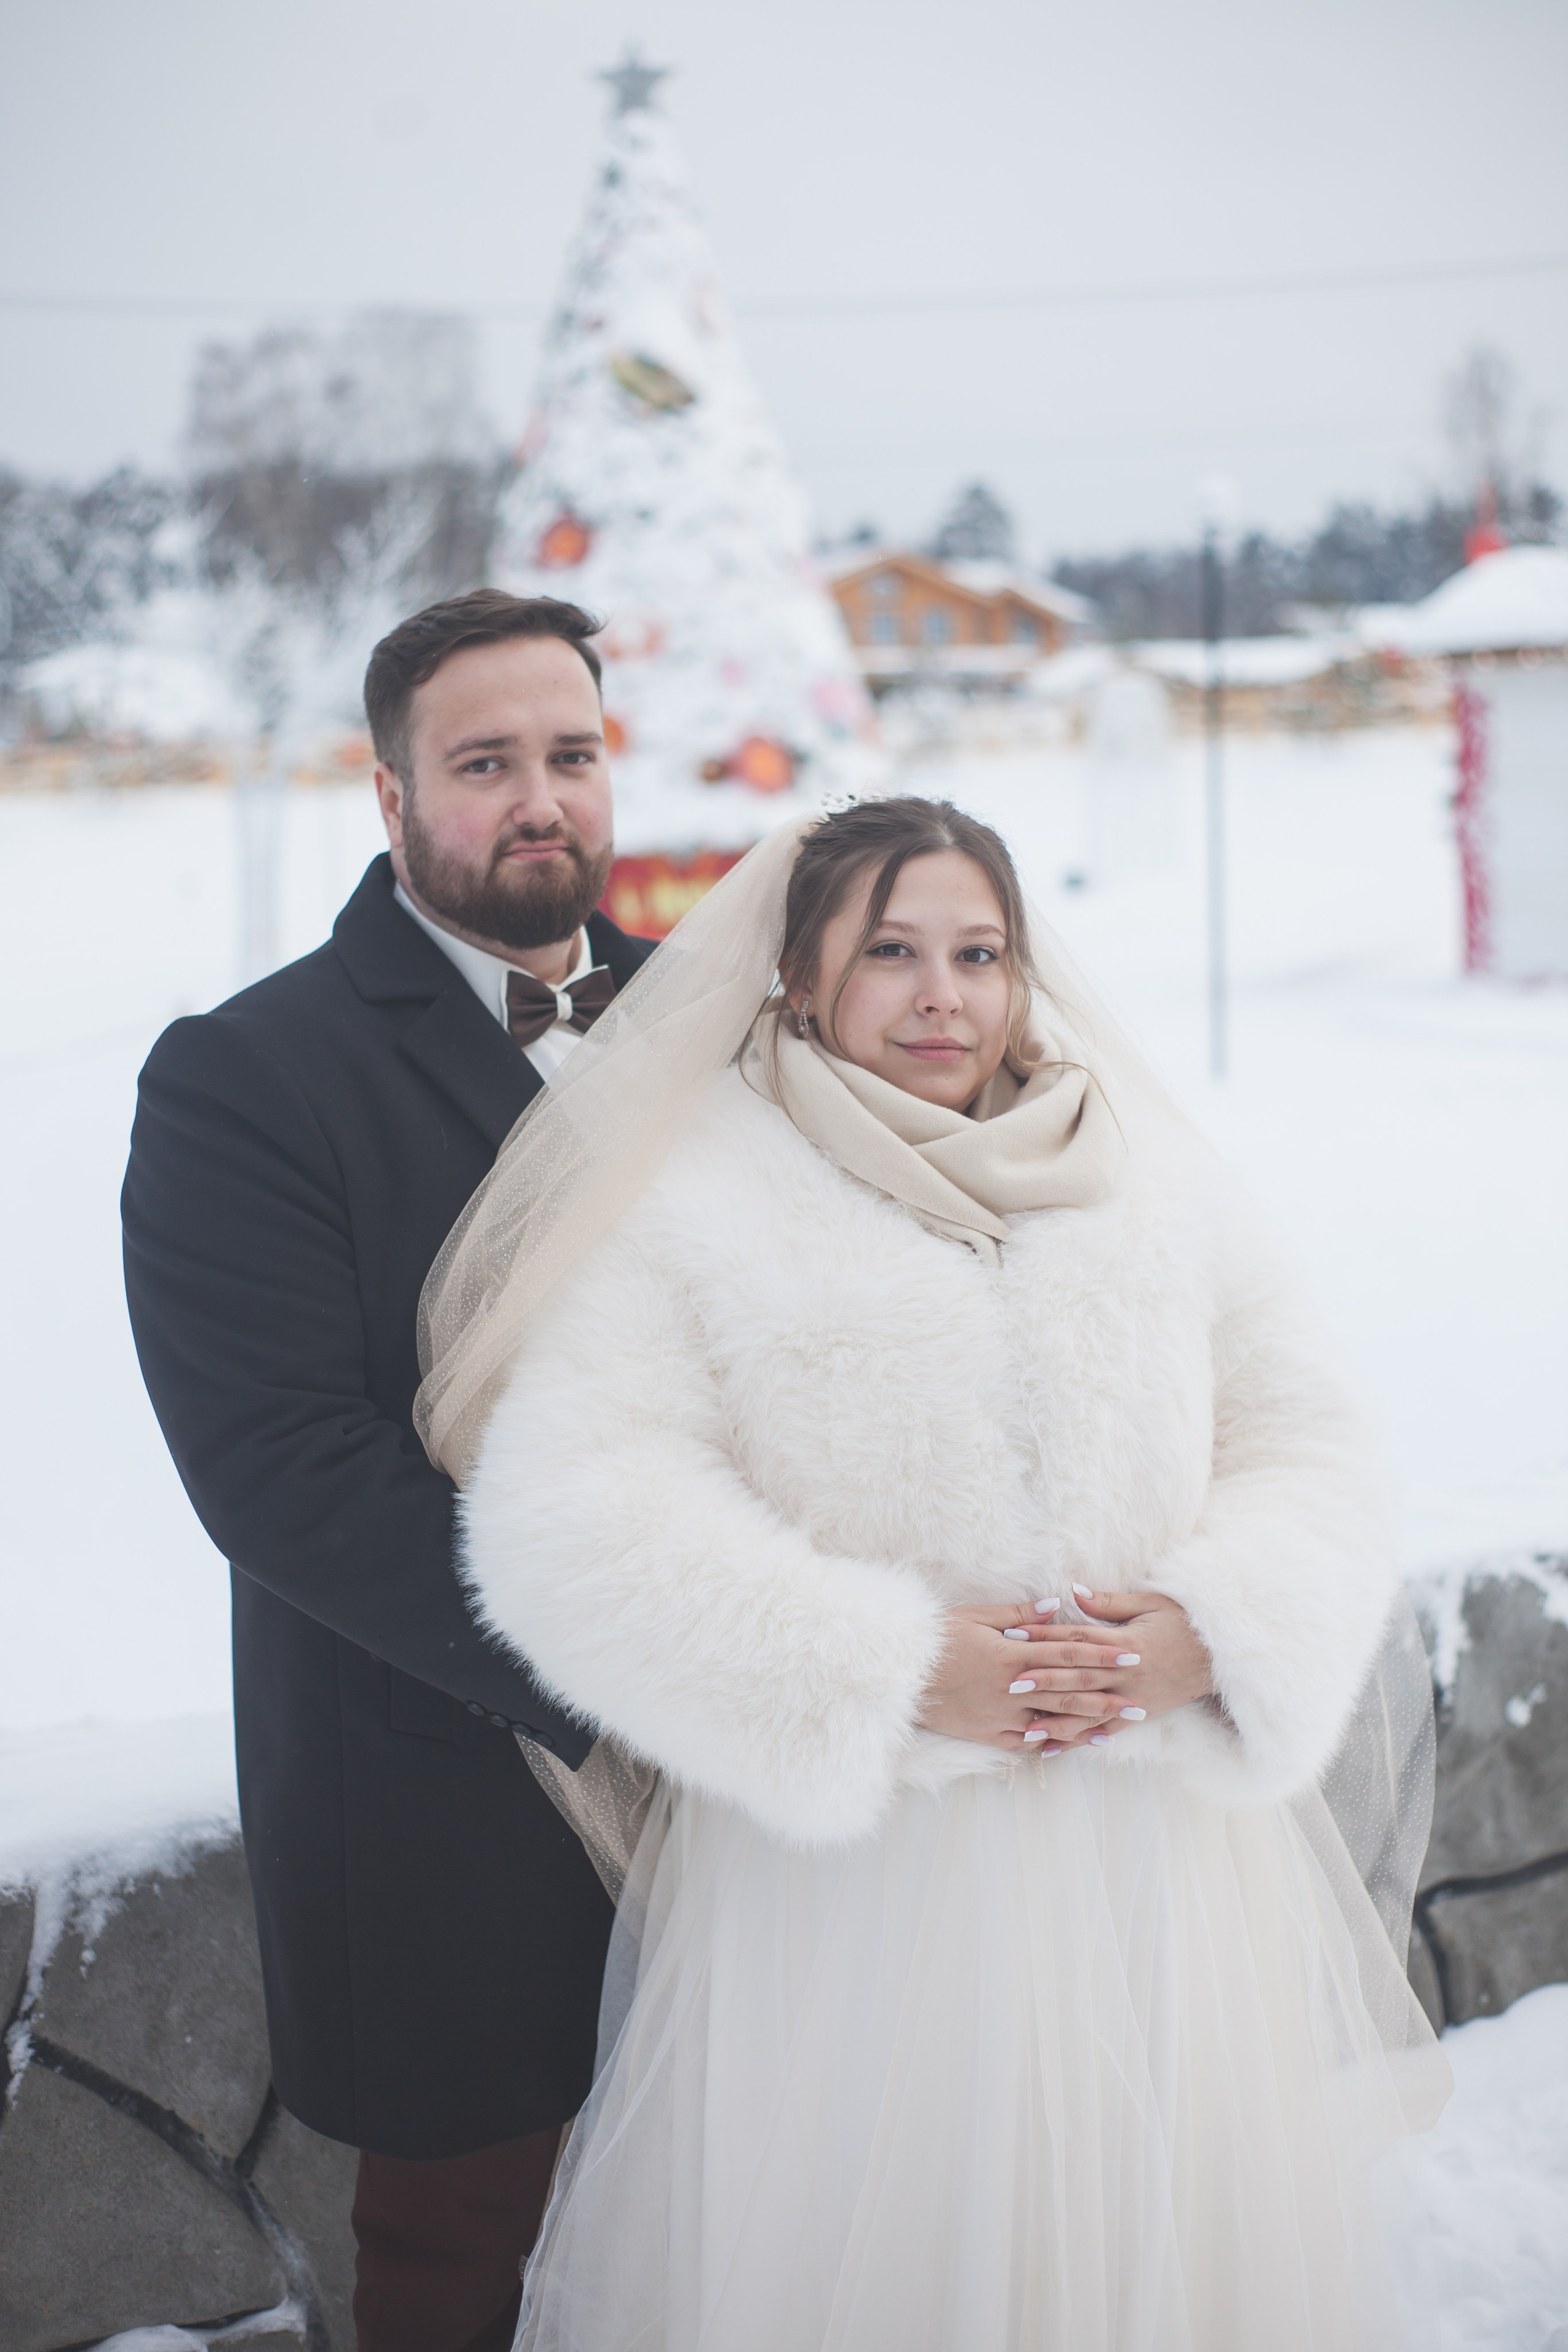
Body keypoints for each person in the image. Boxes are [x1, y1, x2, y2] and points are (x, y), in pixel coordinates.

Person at [419, 796, 1450, 2351]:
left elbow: (1307, 1443)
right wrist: (884, 1674)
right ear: (800, 979)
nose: (941, 995)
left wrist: (1207, 1634)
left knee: (1159, 2266)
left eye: (978, 952)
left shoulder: (1150, 1177)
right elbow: (575, 1513)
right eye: (888, 952)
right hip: (868, 1892)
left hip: (1154, 1864)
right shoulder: (699, 1195)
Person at [121, 590, 657, 2352]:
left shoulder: (719, 1026)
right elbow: (279, 1472)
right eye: (484, 763)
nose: (538, 802)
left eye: (568, 757)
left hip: (755, 1776)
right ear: (391, 797)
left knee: (730, 2205)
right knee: (462, 2259)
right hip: (440, 1783)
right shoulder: (246, 1076)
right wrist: (636, 1663)